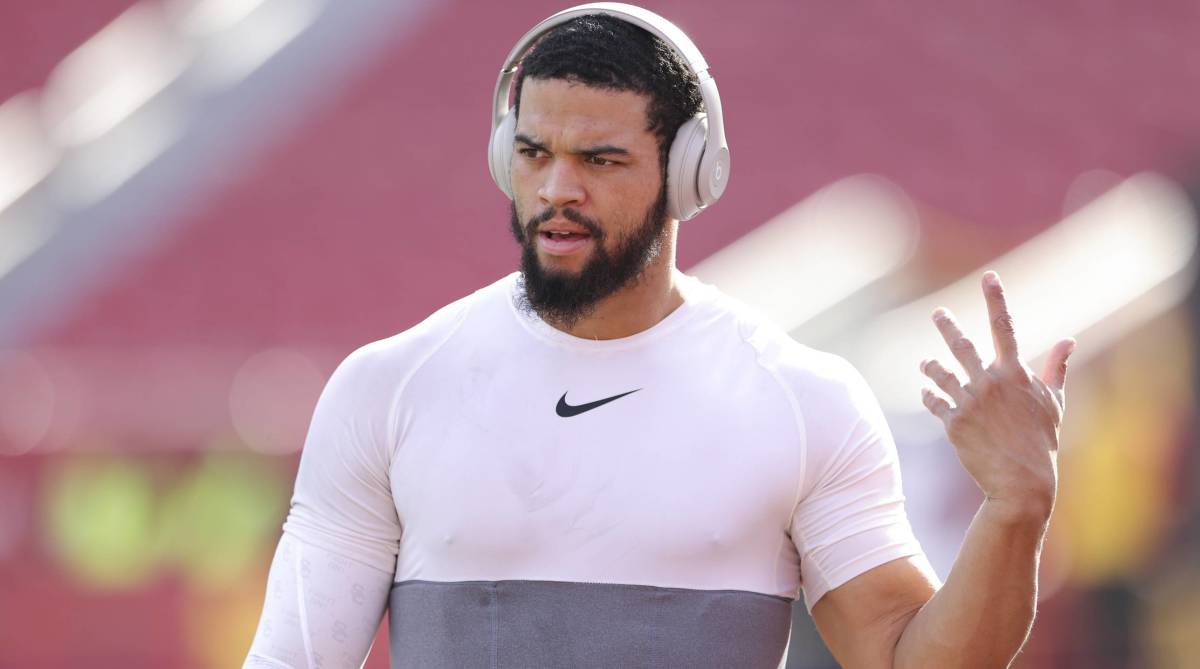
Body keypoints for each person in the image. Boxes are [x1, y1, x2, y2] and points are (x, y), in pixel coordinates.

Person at [243, 4, 1076, 668]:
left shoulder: (799, 401)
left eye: (599, 160)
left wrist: (1015, 506)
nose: (556, 188)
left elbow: (906, 661)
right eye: (534, 153)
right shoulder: (389, 388)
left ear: (690, 171)